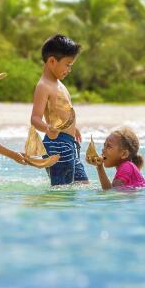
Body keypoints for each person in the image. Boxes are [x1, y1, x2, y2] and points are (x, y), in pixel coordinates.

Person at [29, 34, 87, 186]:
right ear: (52, 61)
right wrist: (47, 128)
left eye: (71, 66)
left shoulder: (58, 83)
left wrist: (74, 128)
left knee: (82, 184)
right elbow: (35, 118)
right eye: (67, 64)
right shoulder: (43, 86)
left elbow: (63, 112)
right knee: (61, 190)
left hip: (69, 143)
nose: (69, 70)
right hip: (57, 144)